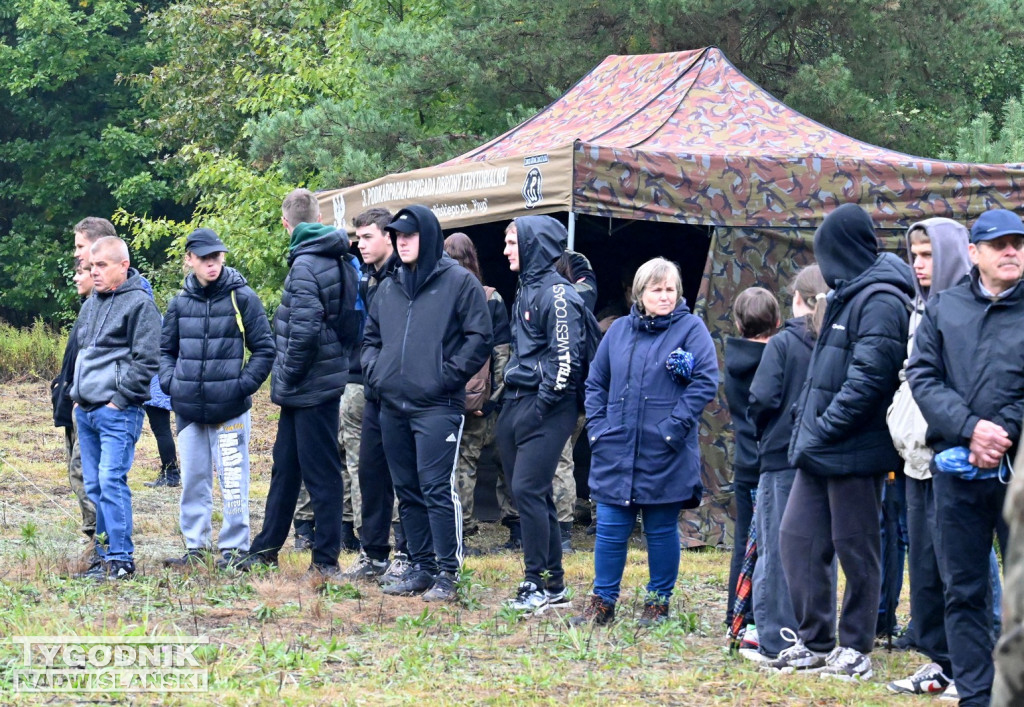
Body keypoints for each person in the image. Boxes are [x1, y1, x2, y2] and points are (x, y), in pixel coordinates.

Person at [766, 203, 913, 680]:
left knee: (857, 549)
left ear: (841, 250)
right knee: (796, 540)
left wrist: (822, 427)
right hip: (820, 448)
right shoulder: (847, 294)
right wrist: (807, 425)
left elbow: (870, 379)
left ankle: (855, 649)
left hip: (853, 448)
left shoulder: (883, 299)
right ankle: (815, 641)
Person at [907, 208, 1024, 707]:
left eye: (1018, 242)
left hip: (1017, 473)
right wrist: (970, 428)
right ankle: (977, 696)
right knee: (963, 591)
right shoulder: (944, 308)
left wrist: (1004, 431)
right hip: (957, 471)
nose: (1012, 251)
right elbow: (923, 375)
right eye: (999, 244)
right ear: (974, 253)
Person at [575, 257, 718, 624]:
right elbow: (595, 384)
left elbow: (705, 381)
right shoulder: (619, 331)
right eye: (657, 289)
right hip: (615, 448)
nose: (665, 296)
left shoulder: (691, 330)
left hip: (665, 451)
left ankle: (657, 604)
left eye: (671, 289)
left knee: (659, 530)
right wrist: (598, 430)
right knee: (610, 529)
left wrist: (674, 426)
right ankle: (602, 603)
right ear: (640, 293)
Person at [362, 205, 491, 601]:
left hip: (437, 406)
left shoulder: (459, 283)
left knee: (436, 487)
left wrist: (445, 377)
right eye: (397, 236)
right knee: (408, 488)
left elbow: (479, 337)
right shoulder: (389, 286)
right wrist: (378, 374)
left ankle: (448, 573)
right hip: (392, 405)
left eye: (409, 235)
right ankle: (421, 566)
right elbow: (370, 340)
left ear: (429, 237)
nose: (401, 242)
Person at [239, 188, 353, 577]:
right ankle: (265, 549)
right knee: (285, 468)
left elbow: (302, 333)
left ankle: (325, 561)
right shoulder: (333, 256)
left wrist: (286, 376)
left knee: (321, 474)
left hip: (310, 384)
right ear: (318, 218)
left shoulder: (307, 264)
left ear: (286, 224)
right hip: (313, 382)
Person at [885, 218, 971, 697]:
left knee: (963, 568)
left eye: (928, 255)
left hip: (953, 456)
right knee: (925, 565)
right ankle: (942, 662)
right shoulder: (920, 307)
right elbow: (911, 376)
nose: (918, 264)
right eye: (913, 255)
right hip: (916, 454)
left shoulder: (965, 309)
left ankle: (976, 663)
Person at [159, 228, 275, 569]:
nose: (212, 264)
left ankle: (235, 550)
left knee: (233, 482)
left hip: (230, 411)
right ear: (189, 260)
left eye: (216, 257)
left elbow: (265, 349)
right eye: (205, 258)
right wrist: (171, 383)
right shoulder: (179, 303)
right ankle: (195, 548)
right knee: (193, 480)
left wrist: (241, 386)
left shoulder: (243, 297)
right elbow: (165, 350)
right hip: (189, 410)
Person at [497, 215, 588, 613]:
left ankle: (534, 582)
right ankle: (554, 584)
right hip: (516, 402)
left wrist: (541, 407)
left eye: (513, 242)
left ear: (533, 245)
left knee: (529, 491)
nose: (505, 250)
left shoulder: (559, 295)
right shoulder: (525, 290)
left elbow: (566, 361)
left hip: (546, 408)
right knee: (533, 495)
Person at [745, 265, 827, 660]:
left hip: (780, 458)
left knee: (776, 550)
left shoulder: (782, 344)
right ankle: (815, 636)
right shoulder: (834, 341)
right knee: (815, 550)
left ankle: (777, 639)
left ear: (795, 300)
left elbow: (761, 399)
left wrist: (766, 432)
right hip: (822, 456)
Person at [70, 236, 161, 580]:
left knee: (111, 481)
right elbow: (83, 352)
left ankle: (121, 560)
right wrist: (77, 397)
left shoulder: (140, 304)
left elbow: (148, 359)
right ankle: (103, 557)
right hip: (87, 410)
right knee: (94, 486)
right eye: (92, 266)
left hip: (117, 412)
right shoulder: (91, 302)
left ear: (124, 265)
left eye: (102, 265)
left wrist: (118, 401)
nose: (94, 272)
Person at [340, 207, 412, 583]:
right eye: (358, 238)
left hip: (404, 394)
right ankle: (374, 553)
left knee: (404, 478)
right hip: (373, 390)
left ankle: (408, 552)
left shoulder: (406, 277)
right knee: (369, 472)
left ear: (389, 237)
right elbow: (369, 336)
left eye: (368, 237)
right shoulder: (368, 278)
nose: (360, 245)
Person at [443, 232, 511, 548]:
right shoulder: (489, 297)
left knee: (452, 463)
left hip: (443, 394)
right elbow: (501, 353)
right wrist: (493, 398)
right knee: (483, 460)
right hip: (478, 397)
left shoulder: (436, 292)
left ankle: (454, 527)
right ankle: (476, 525)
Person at [724, 286, 778, 633]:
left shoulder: (732, 358)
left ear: (738, 324)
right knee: (772, 542)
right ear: (777, 321)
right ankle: (762, 615)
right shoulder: (776, 361)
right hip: (772, 462)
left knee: (744, 538)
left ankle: (736, 613)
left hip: (745, 461)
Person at [51, 254, 98, 567]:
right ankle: (93, 536)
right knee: (75, 470)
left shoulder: (104, 309)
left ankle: (99, 540)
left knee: (85, 472)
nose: (77, 278)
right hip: (73, 400)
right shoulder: (87, 309)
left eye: (81, 272)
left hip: (91, 403)